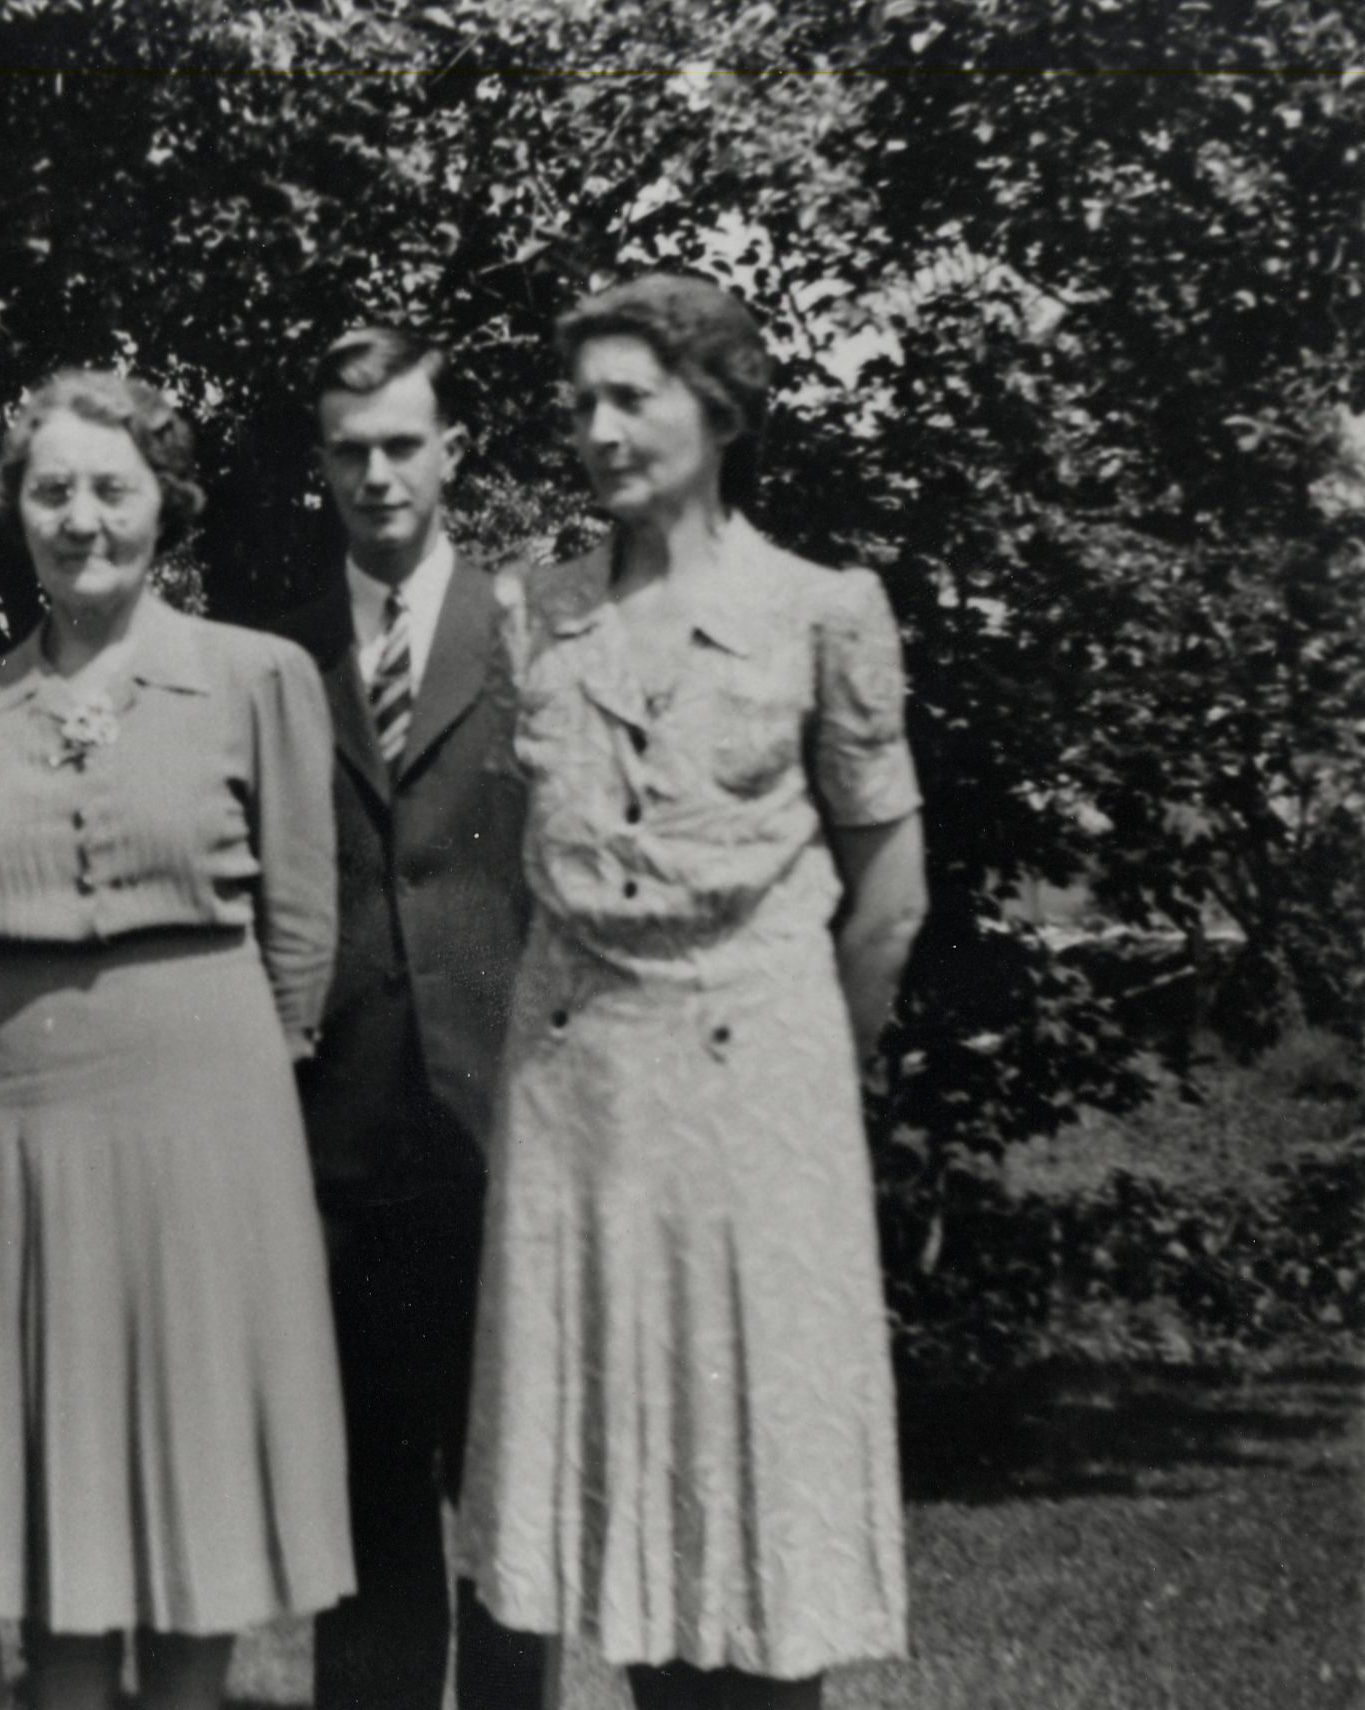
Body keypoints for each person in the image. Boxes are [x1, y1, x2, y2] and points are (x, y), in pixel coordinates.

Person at [459, 274, 930, 1710]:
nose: (597, 431)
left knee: (753, 1492)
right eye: (579, 406)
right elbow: (509, 872)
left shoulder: (820, 612)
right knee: (621, 1504)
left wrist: (802, 1077)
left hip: (757, 1109)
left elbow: (890, 892)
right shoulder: (534, 615)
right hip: (580, 1105)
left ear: (720, 409)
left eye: (631, 397)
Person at [0, 370, 353, 1710]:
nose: (80, 518)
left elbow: (303, 928)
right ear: (15, 514)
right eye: (51, 491)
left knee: (192, 1506)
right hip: (14, 1138)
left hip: (206, 1128)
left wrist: (244, 1113)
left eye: (112, 487)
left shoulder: (255, 677)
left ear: (168, 504)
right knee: (52, 1521)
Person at [264, 326, 550, 1710]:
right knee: (365, 1510)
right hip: (338, 1131)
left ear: (453, 452)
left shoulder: (533, 636)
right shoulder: (277, 652)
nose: (375, 475)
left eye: (400, 445)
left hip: (505, 1121)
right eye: (348, 450)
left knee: (506, 1515)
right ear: (321, 464)